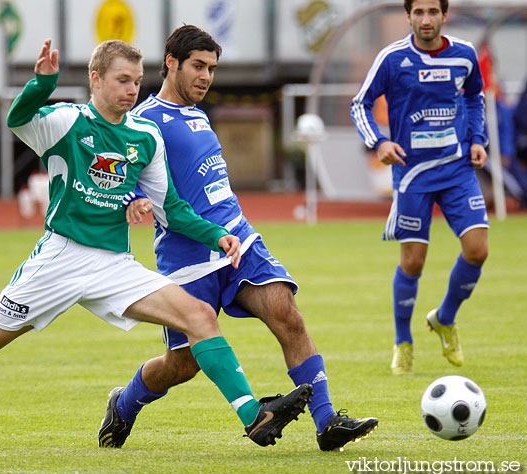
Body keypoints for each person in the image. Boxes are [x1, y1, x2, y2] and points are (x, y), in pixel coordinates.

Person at [0, 38, 313, 452]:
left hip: (113, 263)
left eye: (136, 80)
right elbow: (17, 119)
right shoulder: (66, 121)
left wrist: (217, 235)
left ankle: (253, 416)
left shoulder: (144, 137)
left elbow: (171, 206)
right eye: (121, 80)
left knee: (200, 317)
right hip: (59, 259)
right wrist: (39, 85)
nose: (132, 90)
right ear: (95, 79)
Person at [98, 25, 378, 452]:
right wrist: (135, 198)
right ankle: (126, 401)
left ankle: (327, 422)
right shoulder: (143, 121)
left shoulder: (198, 114)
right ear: (170, 62)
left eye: (211, 68)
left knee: (288, 314)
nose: (206, 77)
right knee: (182, 365)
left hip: (238, 241)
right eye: (198, 66)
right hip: (187, 258)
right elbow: (125, 171)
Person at [350, 0, 489, 375]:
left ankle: (445, 318)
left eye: (433, 12)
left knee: (477, 250)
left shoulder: (464, 55)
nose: (426, 19)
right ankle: (403, 341)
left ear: (445, 15)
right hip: (413, 174)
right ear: (408, 16)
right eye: (419, 12)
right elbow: (360, 104)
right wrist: (379, 143)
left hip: (458, 168)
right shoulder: (392, 58)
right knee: (413, 262)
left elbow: (475, 97)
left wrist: (478, 138)